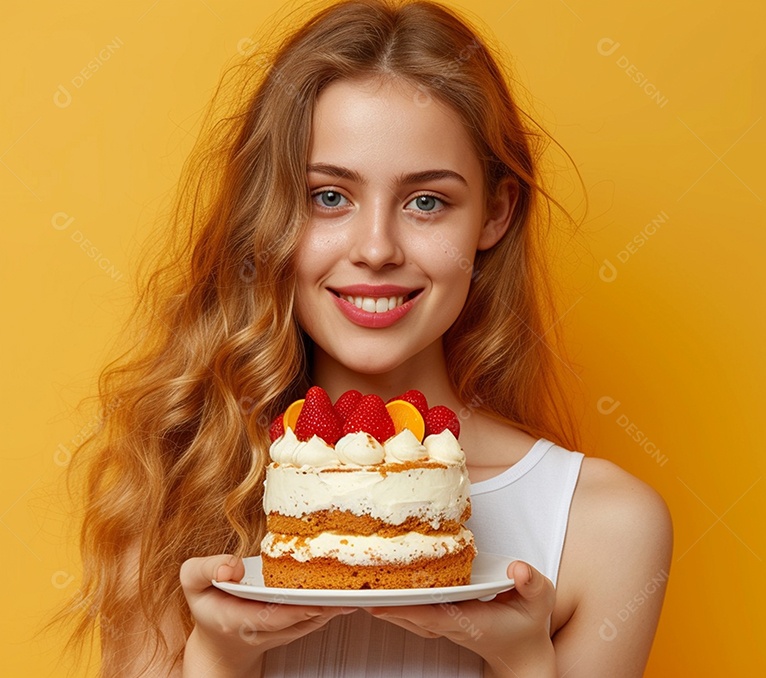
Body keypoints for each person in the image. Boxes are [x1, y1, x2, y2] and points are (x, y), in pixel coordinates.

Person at [59, 1, 672, 676]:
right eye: (328, 197)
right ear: (271, 214)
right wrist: (219, 656)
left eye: (426, 201)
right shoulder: (175, 483)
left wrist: (524, 658)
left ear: (494, 214)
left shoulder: (606, 527)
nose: (376, 248)